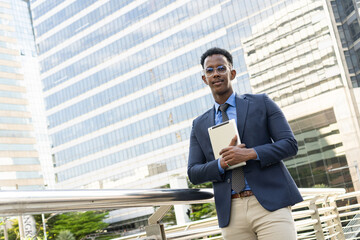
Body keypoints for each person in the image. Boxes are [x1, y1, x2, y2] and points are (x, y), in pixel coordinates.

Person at [187, 47, 303, 240]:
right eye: (209, 70)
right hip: (231, 213)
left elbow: (290, 144)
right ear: (204, 79)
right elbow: (193, 172)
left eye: (221, 68)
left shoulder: (262, 103)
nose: (215, 73)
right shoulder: (198, 124)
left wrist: (250, 154)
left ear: (232, 73)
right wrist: (221, 164)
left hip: (271, 205)